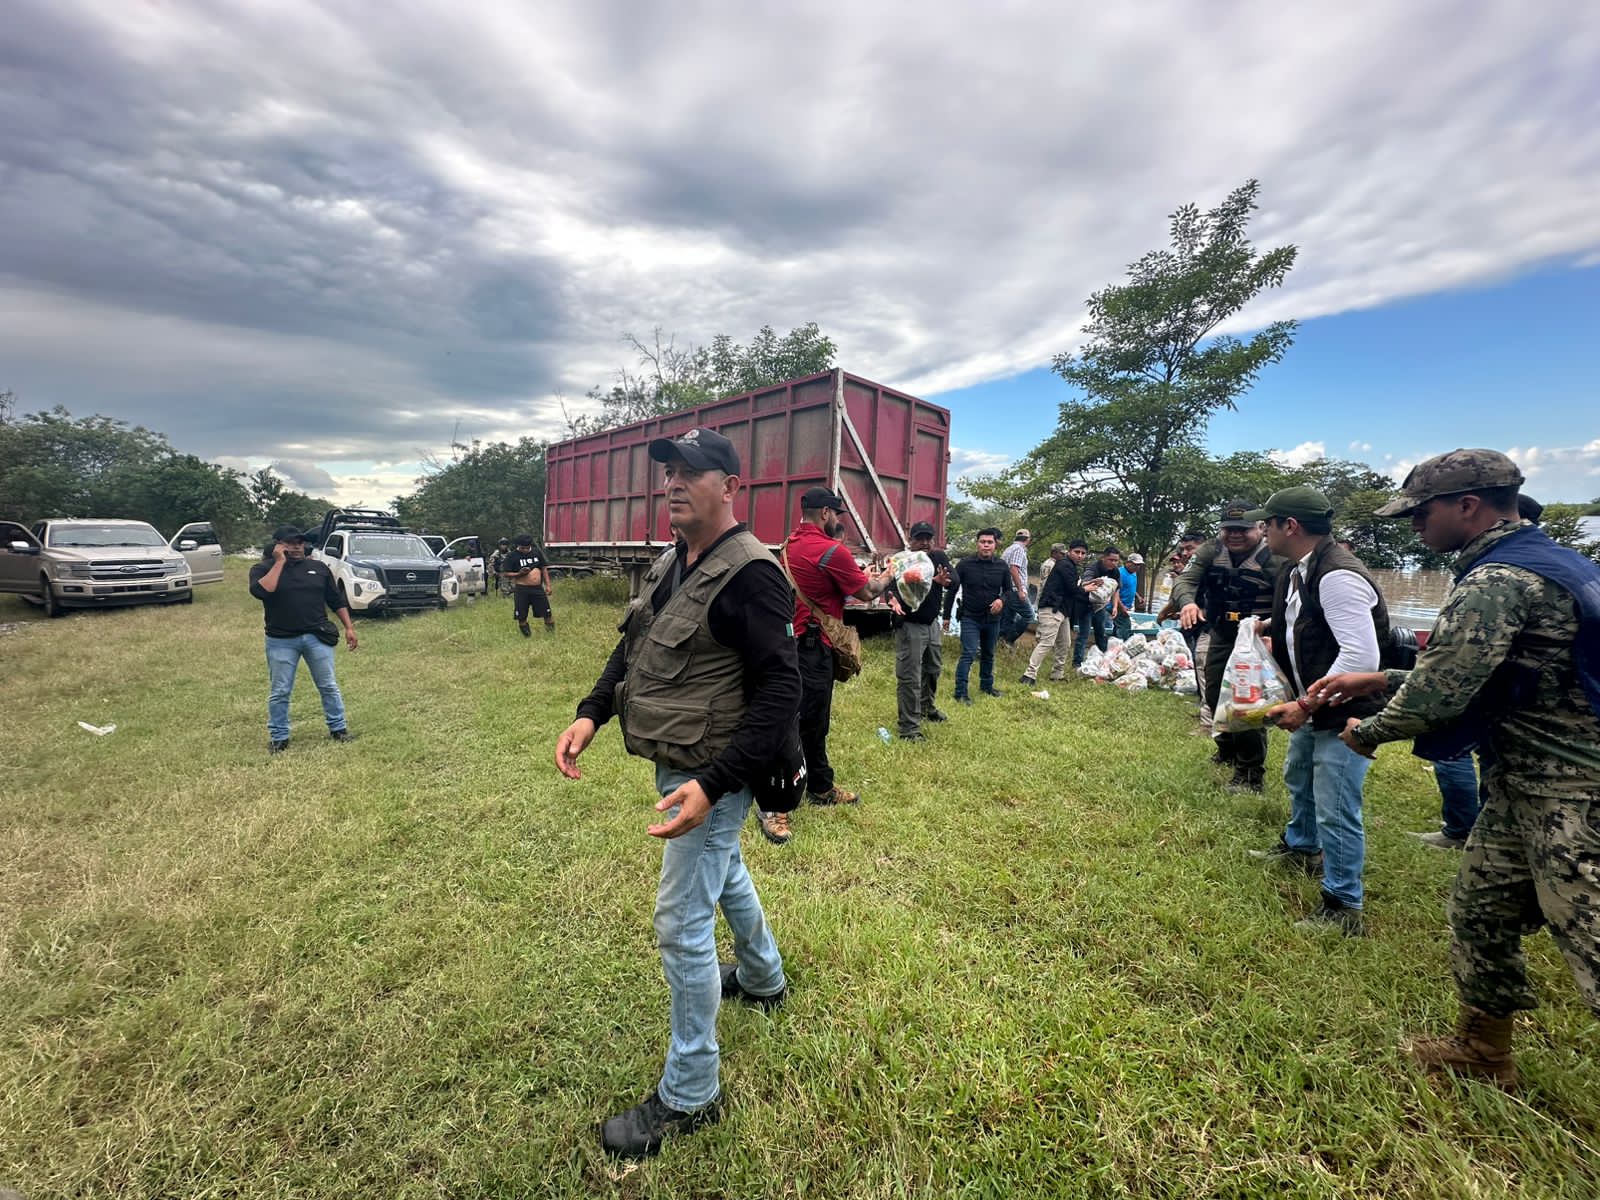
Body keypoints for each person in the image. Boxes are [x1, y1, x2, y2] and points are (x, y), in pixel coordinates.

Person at [1308, 450, 1600, 1087]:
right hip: (1523, 784)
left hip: (1572, 792)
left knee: (1590, 935)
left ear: (1468, 506)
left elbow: (1442, 693)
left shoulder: (1497, 580)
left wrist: (1367, 730)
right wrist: (1380, 678)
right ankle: (1483, 1048)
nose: (1415, 525)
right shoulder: (1555, 563)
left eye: (1422, 512)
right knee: (1481, 908)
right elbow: (1494, 673)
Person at [554, 426, 799, 1156]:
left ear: (730, 486)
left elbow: (781, 691)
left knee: (680, 922)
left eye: (692, 471)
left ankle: (691, 1094)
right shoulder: (675, 561)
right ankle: (763, 977)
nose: (674, 483)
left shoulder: (753, 574)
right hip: (680, 763)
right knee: (727, 872)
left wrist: (715, 785)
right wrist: (591, 712)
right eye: (668, 471)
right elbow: (631, 648)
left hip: (713, 773)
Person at [1247, 488, 1389, 936]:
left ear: (1290, 526)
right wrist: (1267, 625)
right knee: (1299, 774)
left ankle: (1343, 904)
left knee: (1336, 803)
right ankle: (1302, 846)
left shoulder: (1338, 575)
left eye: (1267, 523)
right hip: (1314, 701)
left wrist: (1306, 704)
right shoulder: (1300, 569)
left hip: (1342, 710)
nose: (1261, 531)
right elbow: (1310, 620)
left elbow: (1361, 657)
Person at [775, 486, 894, 841]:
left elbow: (822, 586)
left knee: (811, 722)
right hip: (813, 649)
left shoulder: (789, 545)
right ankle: (776, 805)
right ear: (826, 513)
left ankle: (820, 785)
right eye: (837, 514)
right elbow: (867, 592)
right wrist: (889, 575)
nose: (838, 520)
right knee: (798, 723)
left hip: (790, 643)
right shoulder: (831, 550)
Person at [1172, 501, 1284, 792]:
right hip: (1222, 633)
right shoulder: (1210, 551)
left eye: (1242, 530)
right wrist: (1188, 603)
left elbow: (1290, 601)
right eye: (1229, 529)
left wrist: (1273, 630)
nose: (1235, 535)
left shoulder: (1274, 557)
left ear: (1259, 528)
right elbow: (1185, 581)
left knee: (1245, 703)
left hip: (1257, 639)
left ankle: (1250, 772)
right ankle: (1227, 749)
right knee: (1213, 694)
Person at [248, 524, 357, 754]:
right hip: (281, 639)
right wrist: (279, 562)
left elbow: (335, 600)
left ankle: (338, 729)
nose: (297, 547)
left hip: (316, 637)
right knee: (280, 690)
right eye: (290, 543)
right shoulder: (262, 569)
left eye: (300, 542)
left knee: (328, 685)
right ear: (278, 545)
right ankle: (279, 737)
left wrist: (349, 627)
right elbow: (262, 591)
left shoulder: (318, 568)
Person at [886, 521, 952, 741]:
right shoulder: (902, 560)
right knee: (910, 676)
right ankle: (909, 727)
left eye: (928, 538)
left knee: (933, 670)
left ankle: (927, 708)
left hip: (932, 624)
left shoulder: (938, 557)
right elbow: (890, 585)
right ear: (910, 540)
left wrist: (944, 581)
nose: (924, 542)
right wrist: (891, 598)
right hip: (910, 624)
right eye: (919, 538)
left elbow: (954, 579)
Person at [942, 527, 1015, 704]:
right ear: (977, 544)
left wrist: (1001, 601)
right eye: (983, 542)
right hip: (970, 617)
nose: (986, 545)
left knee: (989, 654)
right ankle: (960, 693)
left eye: (989, 542)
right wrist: (946, 616)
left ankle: (987, 686)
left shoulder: (1002, 566)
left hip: (992, 619)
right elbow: (952, 590)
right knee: (968, 653)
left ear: (995, 545)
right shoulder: (964, 564)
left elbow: (1008, 590)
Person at [1020, 542, 1075, 685]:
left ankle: (1057, 673)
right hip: (1050, 604)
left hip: (1061, 607)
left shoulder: (1063, 565)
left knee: (1065, 643)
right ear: (1054, 553)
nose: (1063, 556)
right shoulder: (1049, 565)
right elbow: (1047, 585)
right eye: (1061, 553)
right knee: (1046, 641)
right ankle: (1029, 675)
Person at [1073, 546, 1122, 666]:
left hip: (1101, 606)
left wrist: (1115, 606)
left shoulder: (1115, 571)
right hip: (1085, 604)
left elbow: (1116, 590)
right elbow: (1084, 583)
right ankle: (1077, 662)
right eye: (1111, 560)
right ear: (1103, 558)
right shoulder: (1093, 568)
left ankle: (1104, 660)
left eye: (1116, 561)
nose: (1113, 563)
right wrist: (1094, 581)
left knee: (1101, 633)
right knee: (1084, 634)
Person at [504, 533, 555, 635]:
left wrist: (548, 585)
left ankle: (550, 634)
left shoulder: (536, 553)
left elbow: (544, 568)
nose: (525, 550)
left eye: (527, 548)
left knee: (547, 613)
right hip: (522, 589)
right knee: (521, 616)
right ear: (518, 546)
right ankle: (527, 636)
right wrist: (519, 573)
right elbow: (506, 573)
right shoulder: (511, 556)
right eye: (522, 548)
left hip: (537, 588)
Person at [999, 529, 1036, 645]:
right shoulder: (1019, 549)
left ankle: (1000, 641)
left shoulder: (1009, 549)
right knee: (1029, 615)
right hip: (1014, 589)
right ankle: (1008, 640)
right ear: (1028, 539)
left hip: (1006, 589)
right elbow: (1014, 569)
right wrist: (1020, 590)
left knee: (1008, 618)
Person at [1114, 552, 1143, 640]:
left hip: (1126, 607)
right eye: (1136, 564)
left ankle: (1115, 642)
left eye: (1139, 565)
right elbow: (1114, 592)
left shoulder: (1134, 573)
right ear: (1128, 563)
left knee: (1118, 627)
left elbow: (1130, 587)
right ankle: (1121, 644)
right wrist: (1121, 607)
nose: (1138, 567)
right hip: (1117, 606)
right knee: (1125, 626)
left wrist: (1138, 596)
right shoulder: (1119, 573)